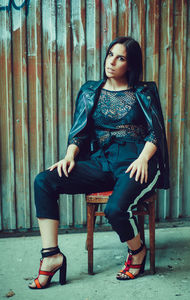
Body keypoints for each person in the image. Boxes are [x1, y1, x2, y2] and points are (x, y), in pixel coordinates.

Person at [29, 36, 169, 289]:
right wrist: (70, 155)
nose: (112, 62)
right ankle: (51, 256)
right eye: (110, 55)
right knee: (44, 181)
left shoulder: (144, 92)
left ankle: (137, 251)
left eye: (121, 58)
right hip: (101, 160)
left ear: (131, 64)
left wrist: (143, 158)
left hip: (136, 160)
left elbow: (155, 131)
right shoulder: (90, 90)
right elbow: (80, 131)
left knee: (116, 210)